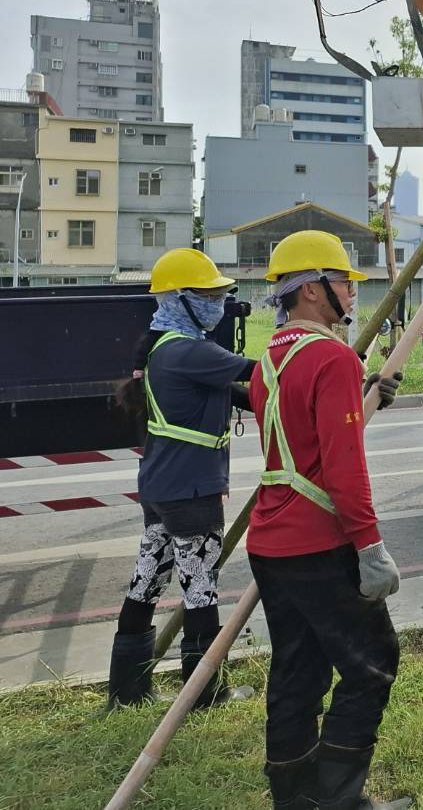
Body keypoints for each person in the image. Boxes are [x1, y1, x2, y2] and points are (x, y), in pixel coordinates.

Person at [247, 230, 410, 810]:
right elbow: (343, 468)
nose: (350, 291)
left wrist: (363, 395)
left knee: (298, 671)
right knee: (371, 666)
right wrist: (369, 547)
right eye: (343, 281)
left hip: (270, 544)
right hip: (320, 546)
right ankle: (341, 802)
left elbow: (304, 434)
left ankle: (296, 801)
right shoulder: (332, 356)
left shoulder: (270, 361)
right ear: (314, 291)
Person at [106, 248, 252, 711]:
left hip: (161, 487)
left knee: (148, 580)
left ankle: (128, 693)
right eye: (210, 294)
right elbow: (265, 374)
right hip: (191, 489)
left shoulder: (164, 347)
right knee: (200, 585)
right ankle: (206, 695)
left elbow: (239, 393)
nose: (218, 302)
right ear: (181, 299)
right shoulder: (191, 350)